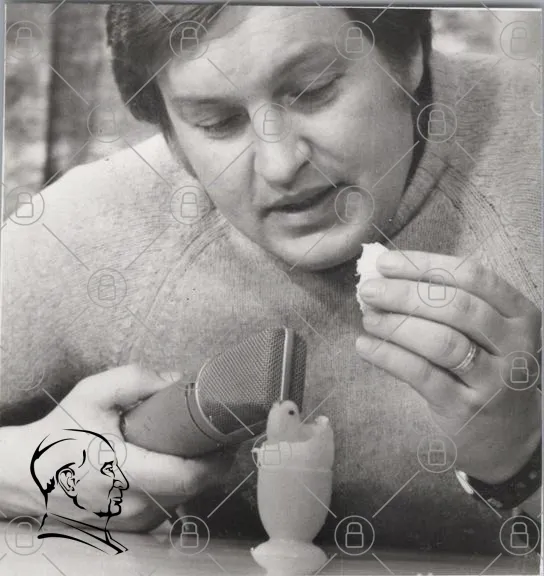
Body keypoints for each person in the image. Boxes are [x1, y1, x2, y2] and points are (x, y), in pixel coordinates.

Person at [0, 4, 541, 557]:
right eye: (217, 123)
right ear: (173, 139)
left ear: (408, 57)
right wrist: (23, 472)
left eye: (313, 90)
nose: (279, 163)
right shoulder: (99, 231)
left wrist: (525, 460)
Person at [31, 429, 129, 554]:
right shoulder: (72, 555)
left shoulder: (102, 547)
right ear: (69, 482)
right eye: (108, 469)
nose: (123, 483)